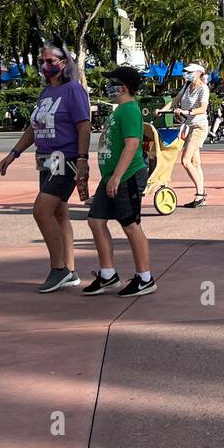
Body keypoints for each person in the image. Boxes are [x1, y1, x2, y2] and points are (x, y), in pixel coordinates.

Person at [0, 41, 91, 293]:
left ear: (63, 63)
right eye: (42, 61)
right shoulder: (45, 93)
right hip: (45, 159)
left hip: (67, 158)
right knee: (60, 213)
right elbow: (33, 127)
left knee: (41, 210)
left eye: (50, 61)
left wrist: (83, 159)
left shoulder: (73, 90)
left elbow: (84, 124)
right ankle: (70, 270)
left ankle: (58, 268)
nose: (45, 65)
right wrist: (14, 153)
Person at [83, 67, 156, 297]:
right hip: (111, 177)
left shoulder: (129, 110)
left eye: (112, 83)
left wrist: (116, 176)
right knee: (96, 220)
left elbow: (132, 144)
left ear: (123, 87)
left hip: (127, 176)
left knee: (130, 225)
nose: (108, 87)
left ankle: (145, 278)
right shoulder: (120, 110)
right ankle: (108, 275)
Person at [172, 62, 210, 206]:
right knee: (195, 163)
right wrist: (161, 110)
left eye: (189, 72)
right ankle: (201, 197)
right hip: (189, 126)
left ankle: (200, 194)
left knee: (185, 161)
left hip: (199, 127)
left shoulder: (203, 88)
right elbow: (175, 100)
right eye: (186, 71)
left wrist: (185, 112)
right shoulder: (187, 86)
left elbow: (203, 108)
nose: (186, 74)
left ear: (198, 73)